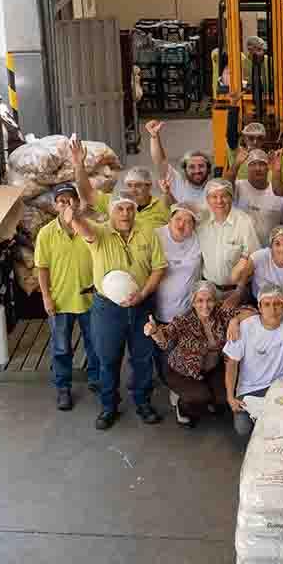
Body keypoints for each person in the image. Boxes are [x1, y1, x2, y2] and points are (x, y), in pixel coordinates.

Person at [68, 193, 168, 430]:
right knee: (108, 358)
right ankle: (108, 406)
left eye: (129, 209)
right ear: (111, 212)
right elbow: (84, 230)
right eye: (120, 209)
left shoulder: (147, 232)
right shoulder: (99, 232)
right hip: (108, 309)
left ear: (135, 211)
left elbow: (158, 268)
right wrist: (75, 216)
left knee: (143, 358)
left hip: (142, 305)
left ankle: (143, 402)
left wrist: (142, 294)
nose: (125, 214)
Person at [145, 281, 251, 428]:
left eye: (209, 300)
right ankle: (183, 408)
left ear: (215, 300)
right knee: (201, 397)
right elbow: (164, 339)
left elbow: (250, 310)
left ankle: (209, 398)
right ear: (193, 302)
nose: (205, 305)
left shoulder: (220, 312)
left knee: (223, 397)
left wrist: (235, 320)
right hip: (182, 371)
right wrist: (155, 332)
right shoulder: (183, 320)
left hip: (211, 368)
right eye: (200, 301)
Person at [34, 183, 98, 411]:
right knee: (61, 347)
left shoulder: (88, 228)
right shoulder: (46, 234)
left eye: (71, 200)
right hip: (61, 300)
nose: (66, 205)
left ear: (77, 203)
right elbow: (42, 268)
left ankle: (95, 379)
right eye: (61, 201)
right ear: (54, 206)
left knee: (94, 343)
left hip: (90, 299)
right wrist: (46, 298)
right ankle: (63, 387)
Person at [223, 286, 283, 437]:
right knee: (243, 428)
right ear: (259, 307)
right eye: (266, 304)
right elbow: (231, 364)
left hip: (279, 386)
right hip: (249, 390)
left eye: (277, 304)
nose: (272, 309)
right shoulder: (245, 327)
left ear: (282, 305)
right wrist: (230, 397)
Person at [70, 136, 171, 229]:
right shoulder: (115, 202)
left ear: (149, 186)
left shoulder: (161, 205)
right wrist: (79, 165)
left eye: (138, 185)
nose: (133, 190)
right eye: (129, 185)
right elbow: (88, 194)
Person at [196, 179, 261, 309]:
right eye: (214, 197)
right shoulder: (201, 222)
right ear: (207, 199)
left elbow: (253, 258)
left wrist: (238, 292)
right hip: (209, 292)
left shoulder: (244, 221)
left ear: (231, 198)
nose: (219, 201)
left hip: (238, 291)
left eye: (224, 196)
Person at [224, 148, 283, 246]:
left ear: (268, 168)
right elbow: (225, 185)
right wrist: (236, 164)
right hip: (241, 251)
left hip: (269, 253)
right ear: (247, 168)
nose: (257, 168)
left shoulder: (277, 192)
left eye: (262, 164)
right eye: (253, 164)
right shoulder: (239, 187)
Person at [152, 204, 203, 331]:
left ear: (194, 226)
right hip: (158, 311)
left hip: (188, 313)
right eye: (178, 219)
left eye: (188, 222)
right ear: (170, 220)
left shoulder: (198, 239)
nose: (181, 225)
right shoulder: (156, 236)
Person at [144, 120, 212, 210]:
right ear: (185, 169)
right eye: (192, 167)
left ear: (208, 168)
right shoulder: (177, 184)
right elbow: (160, 162)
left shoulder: (215, 189)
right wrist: (154, 137)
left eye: (201, 166)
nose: (197, 170)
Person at [232, 226, 283, 299]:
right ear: (271, 245)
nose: (282, 249)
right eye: (277, 244)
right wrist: (237, 294)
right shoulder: (259, 257)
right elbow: (244, 277)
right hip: (259, 303)